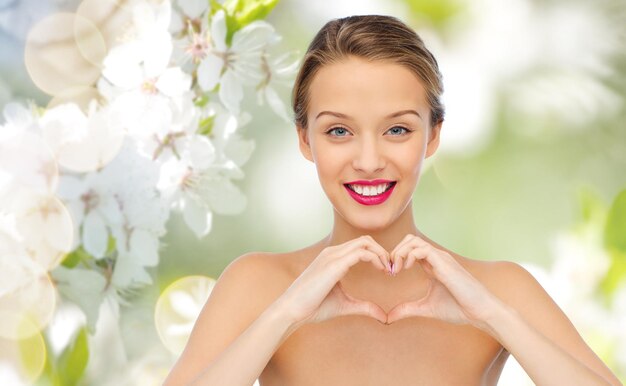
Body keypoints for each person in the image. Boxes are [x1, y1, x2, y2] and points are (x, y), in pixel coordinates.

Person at [164, 15, 622, 385]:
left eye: (397, 129)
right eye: (338, 131)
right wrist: (285, 315)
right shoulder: (259, 285)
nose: (368, 161)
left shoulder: (498, 289)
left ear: (432, 136)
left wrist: (496, 318)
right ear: (305, 140)